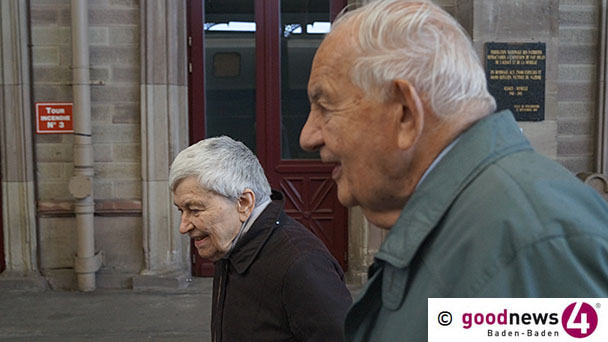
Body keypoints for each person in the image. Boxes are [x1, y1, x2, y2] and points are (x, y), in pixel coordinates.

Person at [299, 0, 608, 341]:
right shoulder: (484, 225)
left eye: (325, 106)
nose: (308, 137)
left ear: (405, 113)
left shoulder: (534, 242)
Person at [169, 136, 352, 342]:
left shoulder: (302, 265)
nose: (183, 226)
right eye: (180, 210)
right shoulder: (230, 243)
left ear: (244, 203)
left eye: (194, 210)